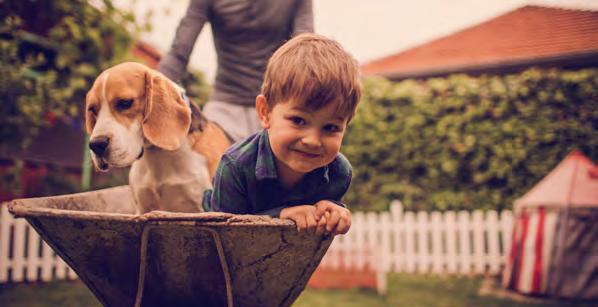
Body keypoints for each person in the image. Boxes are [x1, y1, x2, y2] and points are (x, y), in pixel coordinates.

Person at [203, 33, 361, 236]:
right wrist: (280, 216)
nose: (312, 141)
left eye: (330, 128)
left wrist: (335, 211)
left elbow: (312, 240)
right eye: (298, 120)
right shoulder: (235, 167)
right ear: (265, 112)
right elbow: (224, 237)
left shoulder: (339, 172)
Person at [158, 0, 314, 142]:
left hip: (276, 110)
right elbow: (179, 53)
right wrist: (153, 95)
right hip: (224, 111)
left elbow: (304, 52)